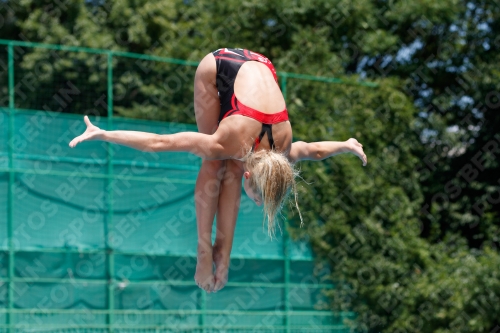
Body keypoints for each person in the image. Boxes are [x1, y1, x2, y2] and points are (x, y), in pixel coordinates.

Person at [69, 48, 367, 293]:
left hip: (262, 64)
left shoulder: (284, 148)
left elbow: (313, 151)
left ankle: (222, 256)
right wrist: (103, 133)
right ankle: (204, 252)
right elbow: (160, 142)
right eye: (257, 197)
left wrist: (346, 144)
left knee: (233, 165)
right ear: (253, 178)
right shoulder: (225, 142)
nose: (255, 200)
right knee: (216, 163)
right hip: (219, 67)